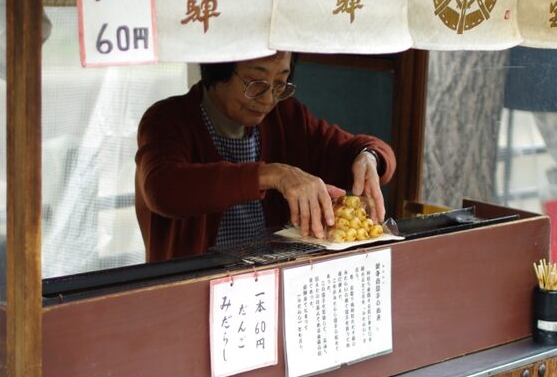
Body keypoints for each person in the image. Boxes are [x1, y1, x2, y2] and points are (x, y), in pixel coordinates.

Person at [135, 51, 396, 261]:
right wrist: (271, 175)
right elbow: (163, 190)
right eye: (256, 83)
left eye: (280, 84)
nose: (269, 98)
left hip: (268, 286)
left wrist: (369, 157)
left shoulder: (287, 117)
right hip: (190, 291)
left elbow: (359, 147)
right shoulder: (167, 120)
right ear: (218, 69)